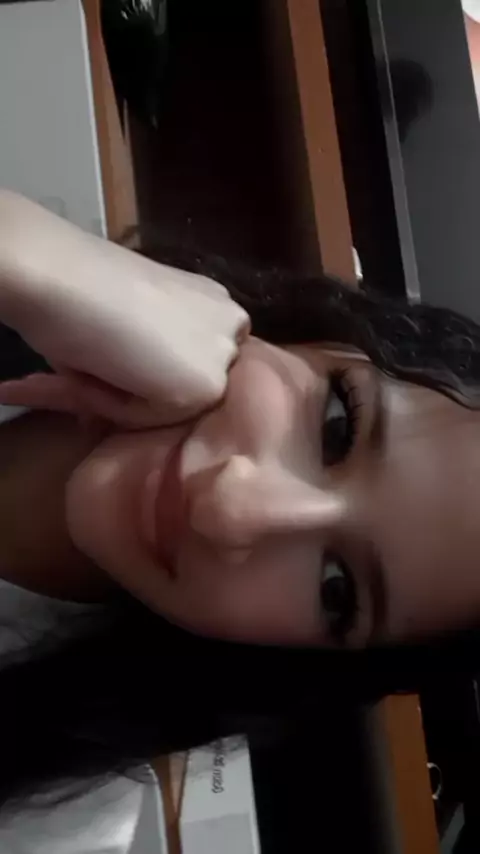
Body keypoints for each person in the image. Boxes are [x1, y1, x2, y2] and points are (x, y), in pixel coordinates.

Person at [0, 188, 478, 809]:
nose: (229, 509)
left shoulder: (54, 819)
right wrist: (44, 259)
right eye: (337, 425)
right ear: (325, 338)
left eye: (336, 591)